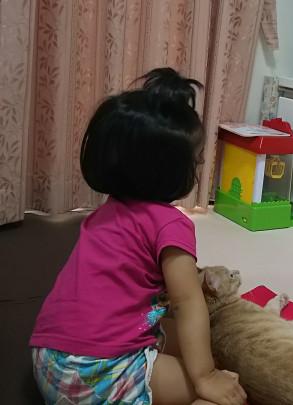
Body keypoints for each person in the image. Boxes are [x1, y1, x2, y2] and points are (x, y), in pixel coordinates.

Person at [29, 67, 247, 405]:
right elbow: (187, 302)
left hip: (49, 360)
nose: (201, 164)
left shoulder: (107, 212)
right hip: (96, 372)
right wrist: (205, 377)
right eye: (196, 161)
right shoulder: (171, 225)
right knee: (220, 391)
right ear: (169, 171)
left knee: (186, 338)